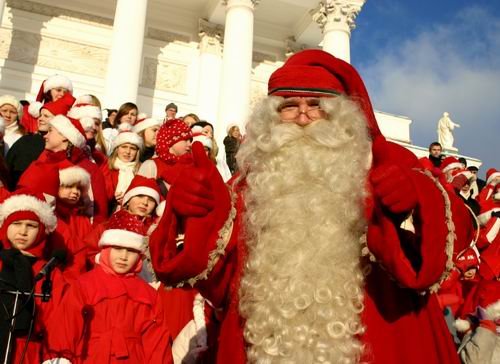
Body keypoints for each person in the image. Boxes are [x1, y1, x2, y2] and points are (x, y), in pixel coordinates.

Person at [149, 49, 466, 363]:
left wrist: (417, 198)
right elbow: (218, 285)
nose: (303, 116)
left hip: (382, 342)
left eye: (316, 105)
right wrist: (193, 213)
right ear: (271, 117)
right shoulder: (246, 186)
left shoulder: (385, 162)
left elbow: (460, 229)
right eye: (289, 106)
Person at [45, 210, 173, 363]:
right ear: (106, 248)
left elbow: (157, 342)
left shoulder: (149, 294)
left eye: (131, 251)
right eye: (117, 248)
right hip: (90, 356)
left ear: (140, 256)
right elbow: (65, 329)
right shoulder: (83, 285)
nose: (124, 257)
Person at [0, 190, 67, 363]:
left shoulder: (48, 272)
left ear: (42, 230)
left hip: (28, 350)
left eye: (31, 225)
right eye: (17, 223)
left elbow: (56, 320)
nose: (23, 231)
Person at [6, 93, 75, 189]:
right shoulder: (25, 140)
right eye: (40, 115)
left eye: (46, 116)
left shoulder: (61, 149)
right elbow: (7, 167)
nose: (40, 119)